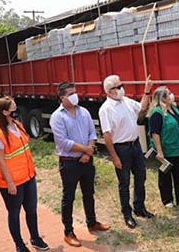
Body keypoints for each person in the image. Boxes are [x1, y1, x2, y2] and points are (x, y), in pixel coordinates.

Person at [49, 82, 110, 247]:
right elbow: (63, 142)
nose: (75, 95)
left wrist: (87, 152)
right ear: (62, 97)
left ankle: (92, 222)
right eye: (71, 93)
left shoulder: (84, 112)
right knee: (68, 197)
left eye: (75, 92)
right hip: (69, 163)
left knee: (88, 193)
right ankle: (68, 232)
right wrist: (87, 150)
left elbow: (92, 132)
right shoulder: (57, 116)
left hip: (86, 161)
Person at [0, 97, 49, 252]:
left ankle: (35, 238)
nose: (16, 110)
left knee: (31, 210)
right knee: (14, 213)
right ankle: (19, 244)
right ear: (5, 112)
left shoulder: (18, 126)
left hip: (28, 177)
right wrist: (10, 182)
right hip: (13, 182)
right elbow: (1, 162)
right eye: (13, 108)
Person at [98, 74, 154, 229]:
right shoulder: (106, 109)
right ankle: (127, 213)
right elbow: (107, 135)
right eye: (118, 87)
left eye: (122, 85)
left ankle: (139, 208)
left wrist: (147, 91)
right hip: (121, 149)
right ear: (109, 92)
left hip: (135, 145)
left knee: (141, 176)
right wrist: (114, 157)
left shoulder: (127, 101)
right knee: (124, 182)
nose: (122, 89)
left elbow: (142, 107)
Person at [148, 87, 179, 207]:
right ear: (162, 98)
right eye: (168, 94)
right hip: (166, 151)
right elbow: (155, 133)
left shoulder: (173, 108)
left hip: (178, 148)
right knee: (165, 177)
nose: (171, 95)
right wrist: (160, 152)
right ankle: (167, 199)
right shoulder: (157, 113)